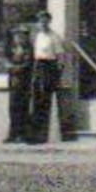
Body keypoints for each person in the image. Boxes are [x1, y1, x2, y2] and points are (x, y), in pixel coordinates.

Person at [27, 10, 63, 144]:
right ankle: (34, 135)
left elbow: (60, 56)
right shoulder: (36, 36)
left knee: (45, 98)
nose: (43, 23)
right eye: (40, 21)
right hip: (37, 66)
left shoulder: (54, 37)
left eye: (45, 21)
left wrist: (57, 72)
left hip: (49, 66)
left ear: (49, 21)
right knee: (36, 99)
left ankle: (45, 134)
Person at [3, 25, 34, 144]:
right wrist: (9, 66)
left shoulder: (28, 48)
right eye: (16, 35)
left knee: (23, 107)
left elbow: (28, 63)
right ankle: (12, 133)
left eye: (21, 35)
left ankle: (23, 134)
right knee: (13, 107)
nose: (18, 38)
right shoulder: (12, 48)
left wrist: (16, 68)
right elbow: (6, 59)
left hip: (24, 80)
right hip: (13, 80)